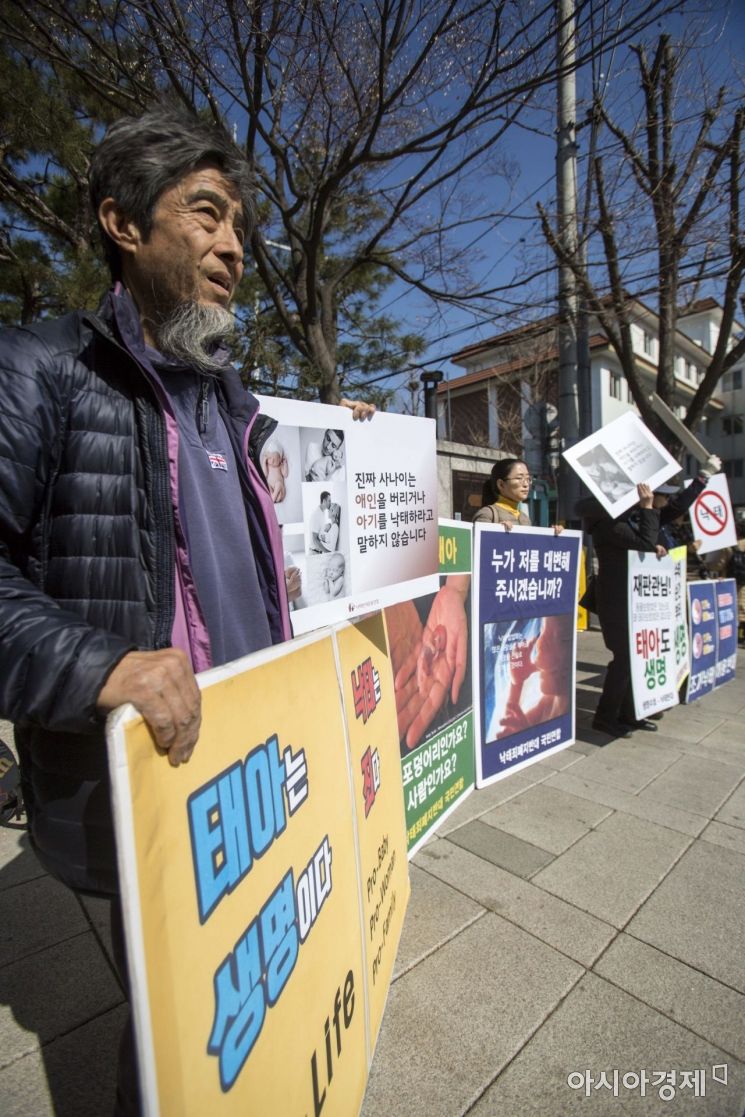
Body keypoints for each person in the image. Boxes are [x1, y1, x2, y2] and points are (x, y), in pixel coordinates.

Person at [0, 106, 373, 1115]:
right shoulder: (38, 368)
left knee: (257, 1018)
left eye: (240, 225)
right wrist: (100, 665)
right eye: (206, 213)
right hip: (149, 788)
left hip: (262, 776)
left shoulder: (232, 403)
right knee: (187, 1046)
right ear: (123, 225)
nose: (234, 246)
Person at [579, 482, 661, 738]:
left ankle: (629, 714)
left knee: (632, 659)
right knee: (624, 659)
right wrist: (647, 508)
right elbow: (645, 542)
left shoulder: (618, 523)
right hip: (616, 603)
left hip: (627, 601)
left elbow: (644, 545)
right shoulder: (610, 525)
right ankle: (605, 718)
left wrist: (654, 546)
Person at [473, 458, 533, 527]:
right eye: (519, 478)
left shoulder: (525, 519)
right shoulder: (487, 514)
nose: (526, 484)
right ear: (501, 484)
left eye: (528, 478)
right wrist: (498, 530)